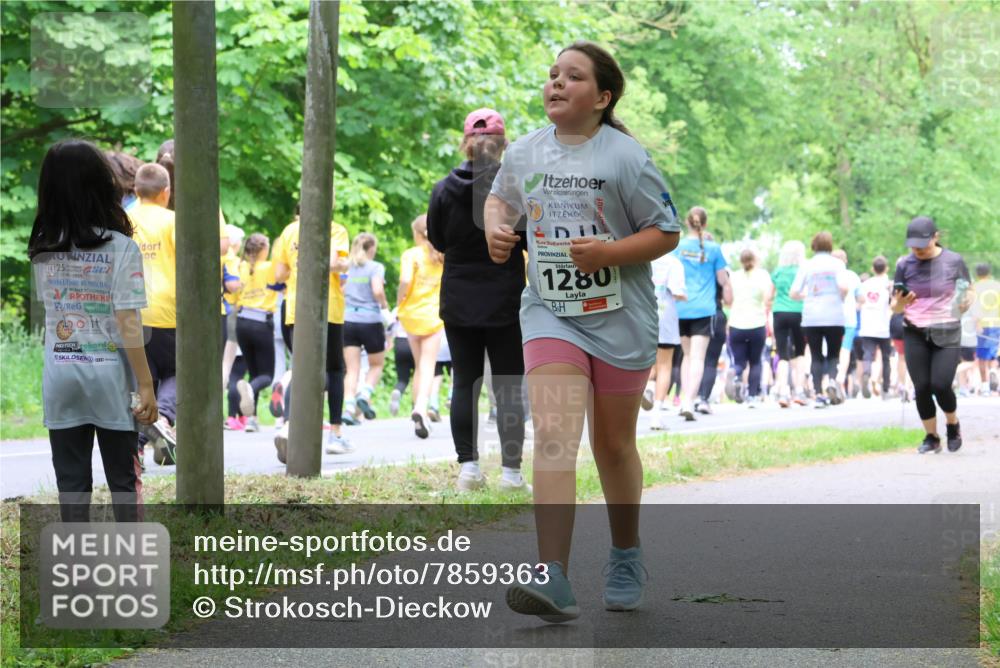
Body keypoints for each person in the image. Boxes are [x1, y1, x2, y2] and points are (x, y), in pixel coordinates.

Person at [485, 41, 681, 622]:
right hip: (550, 312)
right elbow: (499, 203)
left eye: (573, 77)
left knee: (613, 445)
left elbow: (665, 231)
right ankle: (554, 577)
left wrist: (608, 253)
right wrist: (498, 232)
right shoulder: (524, 153)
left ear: (602, 97)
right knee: (553, 434)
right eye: (552, 75)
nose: (556, 84)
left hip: (620, 318)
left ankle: (625, 554)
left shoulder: (625, 157)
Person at [28, 139, 157, 522]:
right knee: (123, 480)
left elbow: (55, 312)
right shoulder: (121, 248)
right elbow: (127, 321)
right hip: (109, 378)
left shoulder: (43, 249)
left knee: (71, 485)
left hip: (60, 375)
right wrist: (146, 385)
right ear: (102, 184)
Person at [427, 107, 530, 491]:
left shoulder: (442, 189)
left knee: (463, 383)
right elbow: (528, 242)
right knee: (507, 387)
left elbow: (437, 240)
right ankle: (511, 475)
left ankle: (468, 470)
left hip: (457, 299)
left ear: (465, 143)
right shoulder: (513, 189)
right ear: (502, 146)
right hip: (505, 298)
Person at [271, 209, 353, 460]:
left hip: (296, 306)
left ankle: (288, 426)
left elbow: (278, 274)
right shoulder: (336, 230)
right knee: (335, 370)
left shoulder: (289, 231)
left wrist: (298, 264)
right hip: (328, 307)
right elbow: (334, 263)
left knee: (302, 367)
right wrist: (343, 264)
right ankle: (336, 434)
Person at [892, 216, 973, 453]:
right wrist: (900, 303)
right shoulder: (904, 265)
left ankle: (952, 423)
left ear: (935, 237)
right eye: (913, 246)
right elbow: (895, 308)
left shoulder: (953, 260)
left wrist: (966, 303)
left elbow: (968, 291)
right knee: (922, 387)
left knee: (940, 384)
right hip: (915, 331)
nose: (917, 250)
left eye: (922, 245)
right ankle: (932, 437)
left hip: (947, 329)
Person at [128, 163, 180, 464]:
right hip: (167, 309)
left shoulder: (123, 219)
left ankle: (135, 450)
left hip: (130, 311)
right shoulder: (172, 221)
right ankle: (165, 417)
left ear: (136, 190)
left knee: (140, 382)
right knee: (177, 371)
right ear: (166, 192)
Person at [672, 207, 732, 420]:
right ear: (704, 224)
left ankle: (682, 402)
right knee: (698, 357)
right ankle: (689, 400)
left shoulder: (676, 246)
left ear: (687, 223)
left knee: (686, 356)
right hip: (704, 309)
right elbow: (723, 280)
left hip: (680, 308)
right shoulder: (714, 249)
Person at [397, 214, 445, 439]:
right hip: (433, 317)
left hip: (410, 316)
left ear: (416, 234)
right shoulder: (442, 255)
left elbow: (405, 281)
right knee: (428, 365)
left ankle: (418, 414)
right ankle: (421, 408)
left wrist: (399, 303)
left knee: (419, 365)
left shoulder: (411, 255)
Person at [790, 231, 849, 408]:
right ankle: (831, 381)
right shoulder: (838, 264)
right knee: (833, 354)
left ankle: (818, 394)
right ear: (830, 245)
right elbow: (844, 287)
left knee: (816, 356)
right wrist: (840, 297)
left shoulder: (806, 265)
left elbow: (793, 293)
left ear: (813, 245)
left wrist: (807, 296)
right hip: (834, 316)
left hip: (812, 317)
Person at [233, 233, 281, 433]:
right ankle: (251, 390)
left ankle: (251, 419)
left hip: (242, 322)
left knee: (253, 372)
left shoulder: (241, 267)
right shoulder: (269, 267)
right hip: (261, 323)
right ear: (263, 249)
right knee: (266, 376)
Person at [341, 232, 390, 424]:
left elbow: (342, 288)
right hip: (370, 320)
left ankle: (348, 408)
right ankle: (365, 393)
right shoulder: (375, 267)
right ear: (372, 249)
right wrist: (384, 307)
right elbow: (377, 290)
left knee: (352, 369)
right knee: (376, 364)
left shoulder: (347, 266)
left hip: (349, 320)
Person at [725, 248, 774, 406]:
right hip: (756, 323)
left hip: (736, 323)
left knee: (739, 361)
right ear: (756, 260)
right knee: (755, 362)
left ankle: (736, 373)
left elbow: (729, 300)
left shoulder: (734, 276)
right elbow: (767, 298)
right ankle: (752, 396)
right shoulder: (762, 275)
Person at [648, 249, 686, 429]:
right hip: (665, 314)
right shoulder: (673, 263)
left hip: (642, 312)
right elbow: (677, 292)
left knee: (647, 360)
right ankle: (656, 413)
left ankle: (647, 388)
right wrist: (685, 296)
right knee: (664, 364)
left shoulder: (643, 257)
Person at [771, 240, 807, 407]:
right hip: (799, 312)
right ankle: (799, 390)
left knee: (782, 354)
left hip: (779, 312)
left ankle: (783, 391)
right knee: (800, 352)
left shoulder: (777, 272)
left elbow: (768, 295)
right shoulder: (802, 271)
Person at [857, 256, 894, 398]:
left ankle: (866, 372)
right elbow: (892, 303)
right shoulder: (888, 285)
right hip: (883, 325)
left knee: (868, 353)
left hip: (867, 325)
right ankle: (885, 389)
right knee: (885, 358)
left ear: (872, 269)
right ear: (887, 268)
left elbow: (859, 301)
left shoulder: (865, 284)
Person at [832, 249, 861, 397]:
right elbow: (861, 299)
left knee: (830, 350)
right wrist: (856, 306)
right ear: (845, 260)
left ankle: (827, 381)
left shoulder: (829, 275)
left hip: (831, 318)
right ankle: (840, 377)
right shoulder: (852, 276)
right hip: (849, 318)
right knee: (845, 350)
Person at [970, 262, 1000, 396]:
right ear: (989, 273)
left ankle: (985, 386)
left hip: (983, 324)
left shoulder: (975, 288)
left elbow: (974, 308)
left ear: (977, 274)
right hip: (996, 324)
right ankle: (994, 372)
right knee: (993, 354)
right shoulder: (997, 286)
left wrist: (976, 324)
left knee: (982, 357)